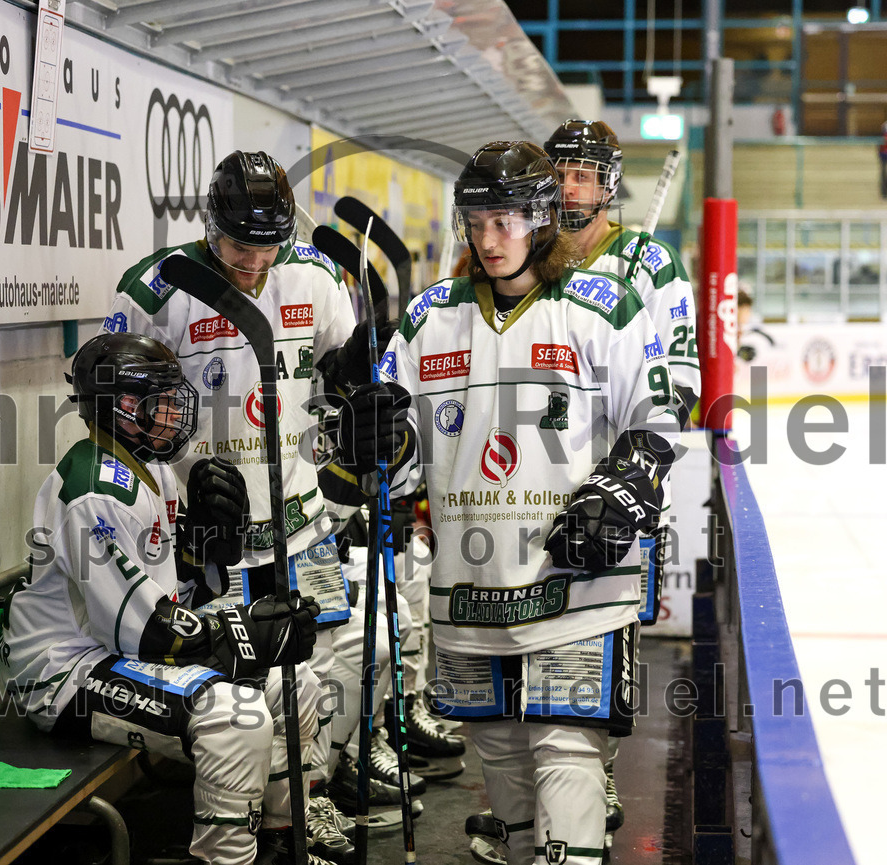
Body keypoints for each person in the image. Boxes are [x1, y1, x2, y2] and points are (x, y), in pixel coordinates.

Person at [339, 141, 681, 865]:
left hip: (578, 597)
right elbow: (390, 469)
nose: (490, 239)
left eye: (508, 221)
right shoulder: (431, 318)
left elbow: (656, 423)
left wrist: (619, 496)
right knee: (511, 800)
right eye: (477, 221)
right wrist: (370, 439)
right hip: (468, 606)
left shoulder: (601, 309)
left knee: (567, 771)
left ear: (544, 218)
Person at [101, 150, 381, 862]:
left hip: (298, 520)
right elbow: (116, 418)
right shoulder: (157, 287)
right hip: (208, 532)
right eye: (237, 245)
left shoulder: (315, 277)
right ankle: (241, 826)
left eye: (268, 245)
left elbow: (347, 384)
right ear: (208, 223)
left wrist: (365, 422)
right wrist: (176, 488)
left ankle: (302, 809)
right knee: (237, 682)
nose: (254, 262)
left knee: (311, 672)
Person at [2, 332, 324, 865]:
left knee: (298, 685)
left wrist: (211, 551)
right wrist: (250, 634)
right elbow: (155, 632)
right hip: (65, 674)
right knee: (235, 715)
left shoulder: (151, 469)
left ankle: (285, 841)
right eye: (161, 400)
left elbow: (180, 596)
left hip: (122, 652)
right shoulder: (91, 489)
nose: (176, 412)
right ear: (120, 408)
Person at [543, 118, 701, 847]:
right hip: (529, 483)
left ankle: (593, 770)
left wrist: (631, 474)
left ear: (608, 183)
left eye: (584, 172)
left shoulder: (650, 263)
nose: (572, 185)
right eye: (561, 170)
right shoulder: (526, 254)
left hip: (613, 488)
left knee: (602, 641)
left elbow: (681, 379)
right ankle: (542, 794)